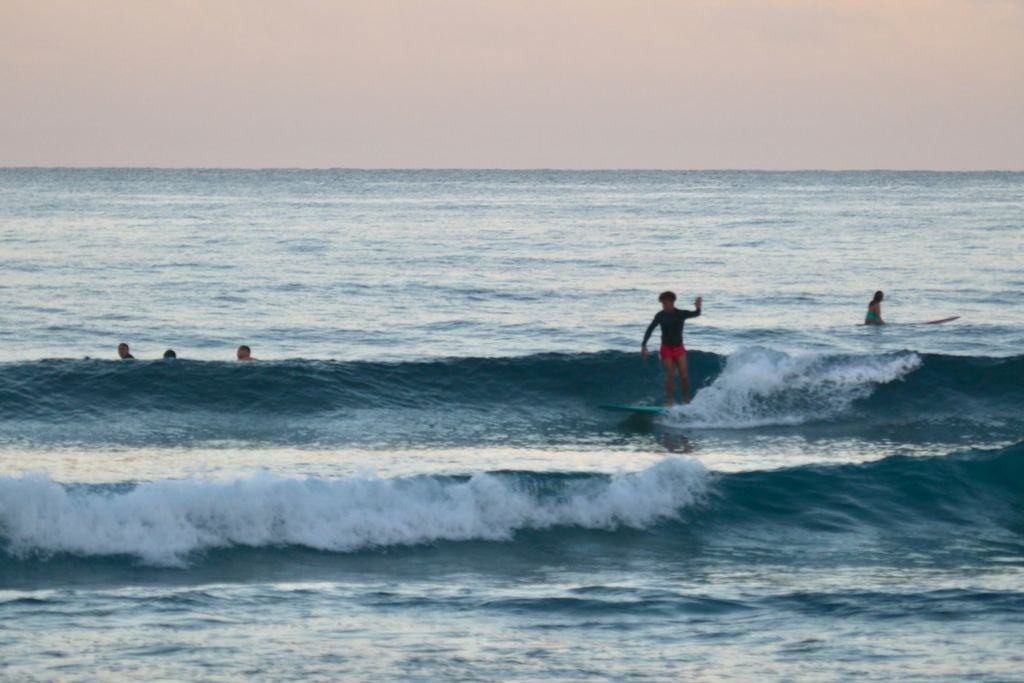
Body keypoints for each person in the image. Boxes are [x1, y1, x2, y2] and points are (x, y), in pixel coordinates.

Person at [641, 291, 702, 406]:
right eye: (662, 304)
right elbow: (650, 329)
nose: (663, 306)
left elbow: (696, 314)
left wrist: (698, 307)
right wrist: (644, 345)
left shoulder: (681, 314)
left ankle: (686, 400)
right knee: (670, 375)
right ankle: (669, 401)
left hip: (679, 348)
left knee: (684, 376)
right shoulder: (660, 315)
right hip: (666, 348)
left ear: (672, 302)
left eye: (665, 303)